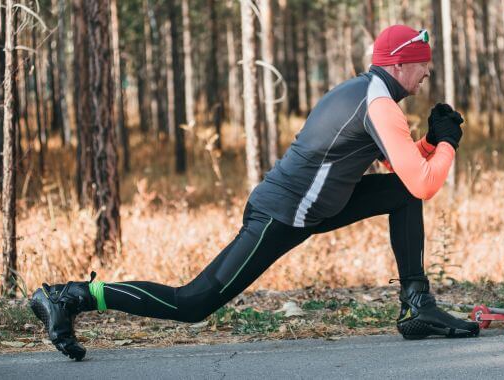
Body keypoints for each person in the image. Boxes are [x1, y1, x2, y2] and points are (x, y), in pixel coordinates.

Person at [29, 25, 479, 361]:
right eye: (424, 64)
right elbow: (425, 180)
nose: (427, 73)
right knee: (194, 303)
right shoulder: (379, 104)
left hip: (317, 207)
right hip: (281, 215)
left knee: (400, 194)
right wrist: (446, 143)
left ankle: (417, 307)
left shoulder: (367, 92)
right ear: (401, 63)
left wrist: (430, 144)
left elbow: (404, 172)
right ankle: (71, 296)